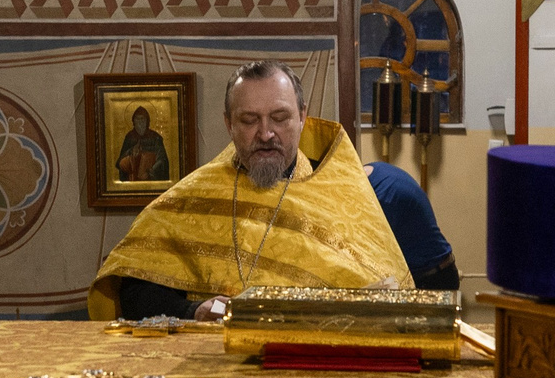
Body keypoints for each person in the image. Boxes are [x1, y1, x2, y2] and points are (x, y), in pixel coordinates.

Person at [90, 62, 407, 321]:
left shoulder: (344, 198)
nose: (266, 134)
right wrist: (191, 310)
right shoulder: (191, 197)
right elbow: (134, 290)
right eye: (249, 120)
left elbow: (393, 303)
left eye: (280, 118)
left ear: (302, 117)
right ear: (229, 124)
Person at [364, 162, 460, 291]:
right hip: (435, 270)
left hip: (431, 279)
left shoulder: (381, 198)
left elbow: (369, 258)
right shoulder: (375, 170)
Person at [115, 107, 172, 183]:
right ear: (133, 121)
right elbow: (120, 163)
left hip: (151, 179)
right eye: (137, 119)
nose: (140, 122)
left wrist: (151, 170)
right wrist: (131, 152)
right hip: (132, 179)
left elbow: (162, 160)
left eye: (142, 119)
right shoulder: (129, 137)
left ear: (147, 121)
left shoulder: (155, 137)